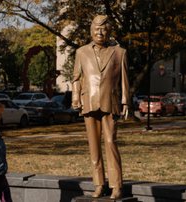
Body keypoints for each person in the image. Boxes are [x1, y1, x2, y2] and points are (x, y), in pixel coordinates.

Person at [71, 15, 130, 199]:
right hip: (88, 103)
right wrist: (75, 97)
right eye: (96, 29)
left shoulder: (119, 52)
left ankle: (116, 185)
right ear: (91, 31)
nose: (100, 32)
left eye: (103, 29)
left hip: (110, 103)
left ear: (108, 31)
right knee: (94, 147)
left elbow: (124, 80)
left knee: (111, 143)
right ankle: (99, 184)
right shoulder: (81, 52)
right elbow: (76, 77)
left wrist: (126, 100)